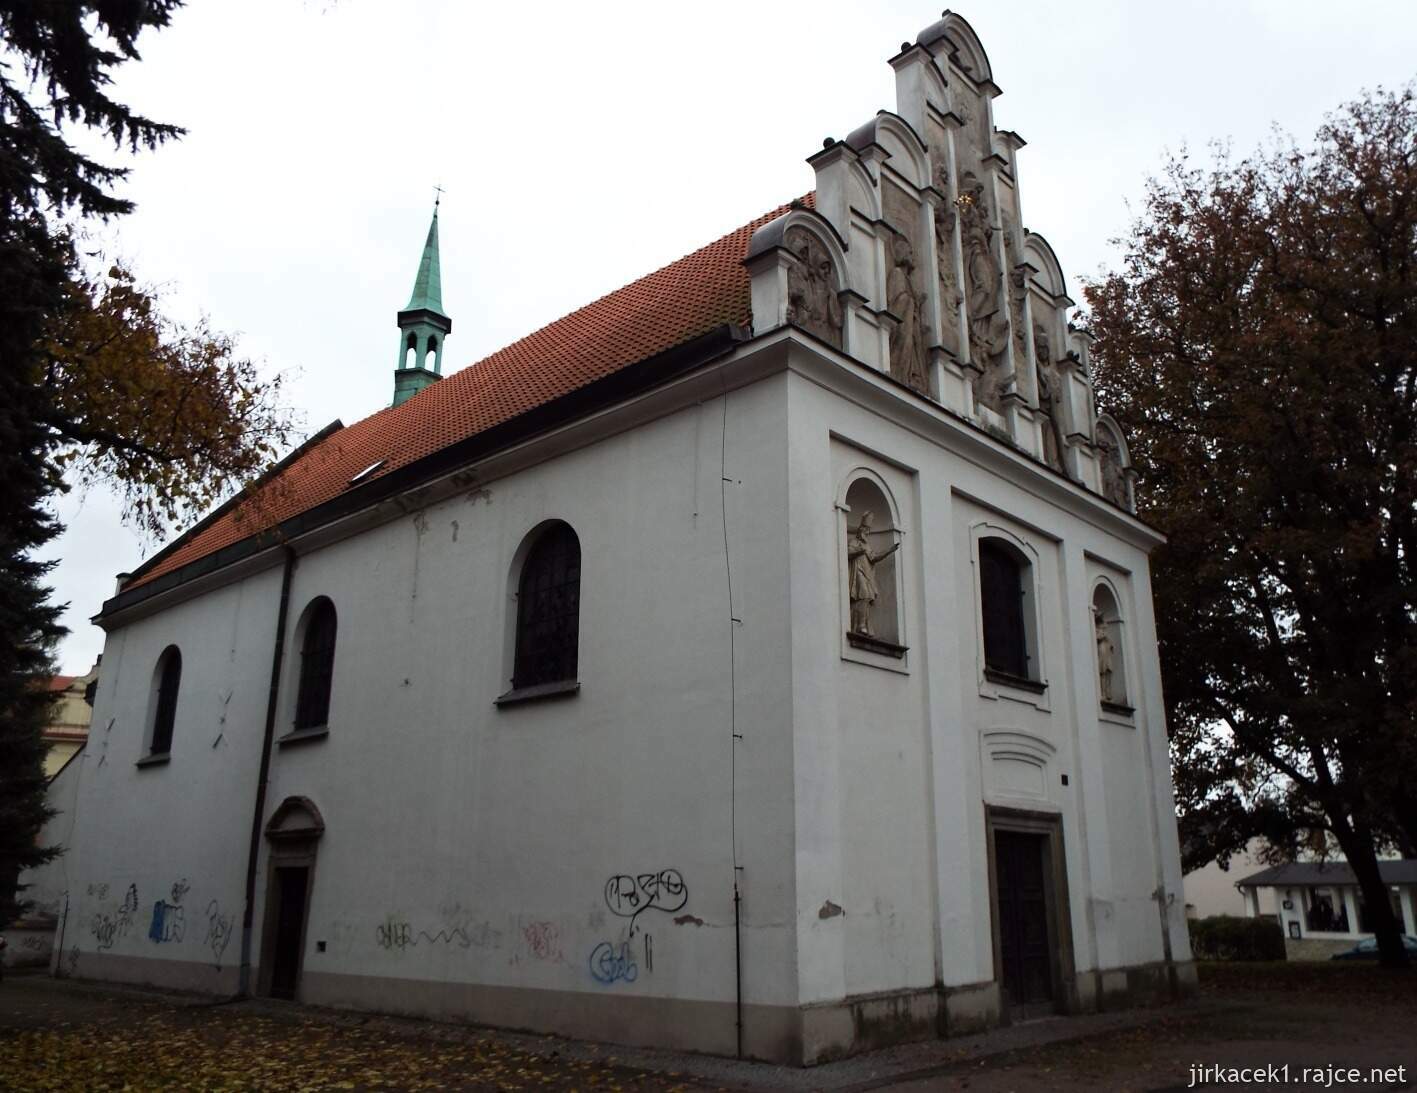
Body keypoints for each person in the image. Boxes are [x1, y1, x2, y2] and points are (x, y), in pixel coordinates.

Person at [848, 512, 901, 636]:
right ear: (860, 529)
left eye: (868, 530)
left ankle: (862, 625)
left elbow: (874, 557)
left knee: (866, 598)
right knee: (864, 595)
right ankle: (860, 625)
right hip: (858, 573)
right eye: (865, 529)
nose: (867, 532)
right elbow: (849, 552)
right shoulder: (855, 541)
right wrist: (859, 550)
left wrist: (889, 550)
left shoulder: (867, 545)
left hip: (867, 575)